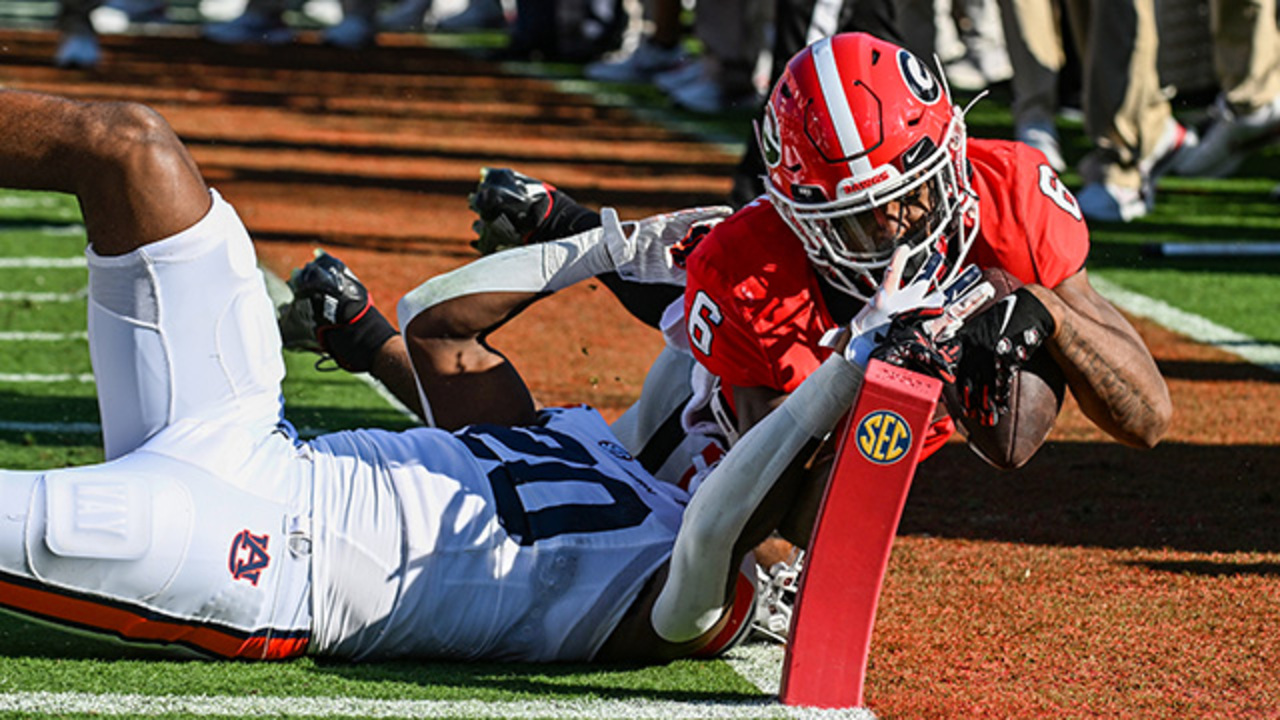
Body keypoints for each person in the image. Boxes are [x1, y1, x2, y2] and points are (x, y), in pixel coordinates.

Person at [0, 88, 928, 662]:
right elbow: (442, 323)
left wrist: (844, 377)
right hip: (259, 441)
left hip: (259, 561)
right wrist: (605, 243)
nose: (738, 381)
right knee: (130, 147)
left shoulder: (692, 600)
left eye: (771, 390)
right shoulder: (594, 447)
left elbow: (722, 520)